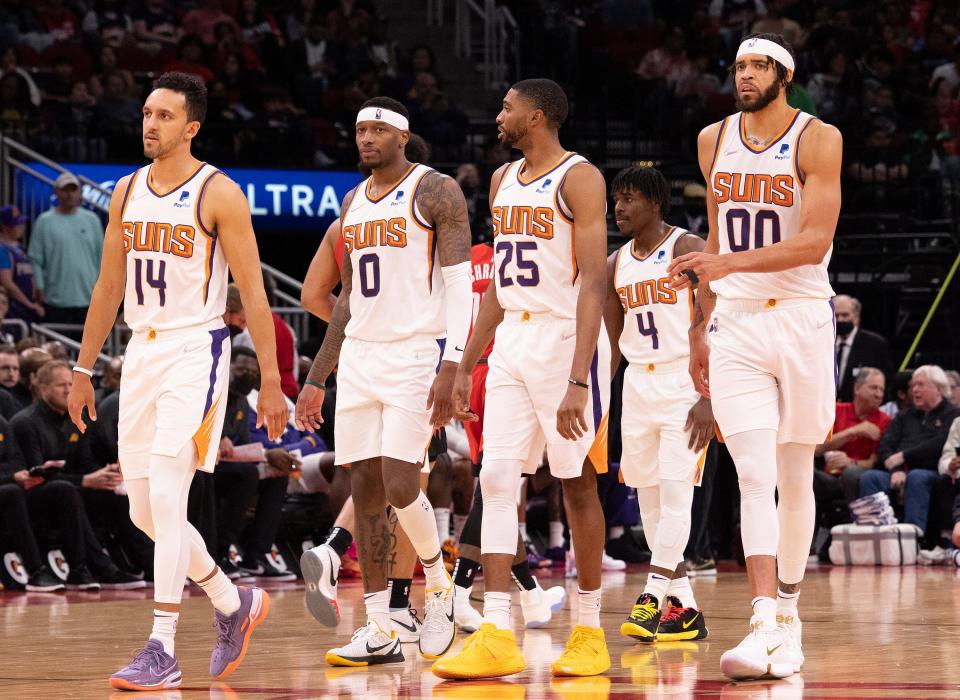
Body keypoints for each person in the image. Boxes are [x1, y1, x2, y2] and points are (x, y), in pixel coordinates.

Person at [66, 72, 287, 692]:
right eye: (146, 113)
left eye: (164, 116)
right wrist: (83, 370)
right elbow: (108, 286)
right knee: (141, 511)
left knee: (167, 494)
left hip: (198, 348)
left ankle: (162, 646)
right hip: (140, 353)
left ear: (191, 127)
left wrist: (270, 378)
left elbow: (257, 293)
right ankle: (229, 601)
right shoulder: (126, 191)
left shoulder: (219, 193)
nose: (150, 124)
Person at [666, 33, 842, 681]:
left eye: (759, 65)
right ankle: (762, 620)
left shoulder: (818, 138)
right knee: (752, 473)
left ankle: (790, 622)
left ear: (784, 74)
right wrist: (698, 326)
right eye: (739, 65)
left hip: (800, 318)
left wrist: (727, 263)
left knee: (795, 472)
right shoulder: (713, 139)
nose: (745, 75)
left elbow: (815, 240)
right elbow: (715, 234)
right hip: (736, 322)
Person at [434, 78, 611, 680]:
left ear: (536, 115)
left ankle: (589, 629)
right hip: (512, 337)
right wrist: (464, 363)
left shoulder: (579, 178)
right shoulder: (504, 179)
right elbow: (499, 288)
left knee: (575, 481)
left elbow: (593, 283)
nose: (499, 115)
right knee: (497, 477)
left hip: (566, 336)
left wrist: (579, 378)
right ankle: (496, 630)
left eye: (508, 107)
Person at [294, 96, 472, 666]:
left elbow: (461, 284)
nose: (366, 138)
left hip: (417, 355)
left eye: (377, 129)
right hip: (362, 360)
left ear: (402, 136)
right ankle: (380, 627)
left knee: (401, 482)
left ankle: (438, 581)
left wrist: (454, 364)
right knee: (364, 493)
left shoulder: (435, 190)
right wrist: (318, 376)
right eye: (359, 130)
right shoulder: (351, 202)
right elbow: (345, 302)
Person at [602, 165, 712, 643]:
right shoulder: (615, 263)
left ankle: (651, 595)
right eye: (615, 199)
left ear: (654, 202)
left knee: (675, 493)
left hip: (683, 381)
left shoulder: (688, 248)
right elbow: (609, 343)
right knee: (648, 497)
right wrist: (599, 401)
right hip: (637, 385)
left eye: (628, 199)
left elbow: (719, 321)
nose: (618, 208)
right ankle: (684, 609)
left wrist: (709, 396)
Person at [11, 360, 145, 589]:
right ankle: (88, 568)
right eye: (60, 385)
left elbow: (84, 464)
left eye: (71, 384)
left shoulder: (77, 418)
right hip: (33, 495)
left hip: (70, 488)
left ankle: (145, 563)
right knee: (64, 490)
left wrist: (104, 474)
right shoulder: (25, 422)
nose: (67, 390)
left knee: (118, 489)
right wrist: (84, 480)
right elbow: (37, 476)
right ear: (43, 389)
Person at [858, 366, 960, 533]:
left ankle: (912, 539)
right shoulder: (904, 415)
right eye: (913, 386)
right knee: (870, 478)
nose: (915, 390)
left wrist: (904, 456)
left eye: (920, 385)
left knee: (916, 477)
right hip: (898, 474)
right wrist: (897, 469)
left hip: (932, 473)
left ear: (938, 388)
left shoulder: (953, 414)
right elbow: (885, 445)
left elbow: (940, 444)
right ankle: (872, 536)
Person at [27, 172, 104, 325]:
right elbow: (35, 259)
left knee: (87, 348)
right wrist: (40, 287)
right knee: (58, 348)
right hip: (55, 299)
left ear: (79, 192)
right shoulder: (44, 221)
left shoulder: (92, 220)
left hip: (89, 298)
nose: (70, 194)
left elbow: (102, 257)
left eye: (73, 190)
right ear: (56, 192)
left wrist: (102, 289)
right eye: (65, 190)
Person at [816, 367, 890, 503]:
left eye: (882, 390)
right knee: (803, 473)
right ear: (857, 388)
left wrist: (851, 462)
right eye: (874, 388)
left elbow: (875, 462)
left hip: (858, 476)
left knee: (850, 474)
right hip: (829, 475)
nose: (879, 394)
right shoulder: (836, 410)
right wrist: (853, 431)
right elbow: (816, 449)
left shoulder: (885, 421)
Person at [833, 294, 893, 402]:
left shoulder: (875, 344)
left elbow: (886, 382)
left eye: (845, 315)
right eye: (836, 316)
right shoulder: (824, 342)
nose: (840, 320)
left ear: (856, 317)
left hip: (860, 411)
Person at [0, 205, 43, 321]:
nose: (21, 227)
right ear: (4, 226)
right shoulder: (2, 249)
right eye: (16, 224)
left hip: (25, 310)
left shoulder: (19, 248)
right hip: (13, 311)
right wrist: (29, 304)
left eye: (21, 223)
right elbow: (7, 284)